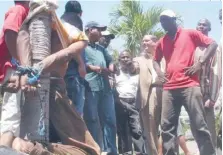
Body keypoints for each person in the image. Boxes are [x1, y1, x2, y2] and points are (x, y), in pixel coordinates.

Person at [3, 4, 101, 155]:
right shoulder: (27, 24)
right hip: (40, 88)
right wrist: (26, 72)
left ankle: (26, 147)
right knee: (91, 150)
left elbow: (67, 53)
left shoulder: (69, 32)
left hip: (52, 89)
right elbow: (20, 39)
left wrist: (36, 68)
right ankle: (24, 147)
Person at [153, 9, 217, 155]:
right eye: (162, 20)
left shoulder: (189, 33)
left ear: (174, 20)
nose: (164, 23)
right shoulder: (161, 41)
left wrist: (200, 62)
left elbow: (212, 44)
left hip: (190, 86)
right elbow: (155, 60)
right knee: (167, 127)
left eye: (167, 20)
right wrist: (159, 73)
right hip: (169, 88)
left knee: (200, 124)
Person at [83, 21, 117, 155]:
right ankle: (95, 151)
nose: (101, 34)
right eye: (99, 30)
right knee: (92, 120)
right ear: (90, 30)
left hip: (106, 89)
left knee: (110, 121)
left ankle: (111, 151)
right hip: (90, 88)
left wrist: (111, 67)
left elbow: (111, 60)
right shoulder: (82, 45)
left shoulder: (101, 49)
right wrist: (93, 68)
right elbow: (78, 64)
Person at [0, 0, 29, 146]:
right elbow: (10, 33)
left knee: (16, 113)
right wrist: (19, 64)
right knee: (12, 113)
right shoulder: (19, 9)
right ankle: (4, 149)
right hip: (13, 68)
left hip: (16, 68)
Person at [134, 34, 163, 155]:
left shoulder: (164, 55)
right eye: (143, 41)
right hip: (150, 93)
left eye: (147, 41)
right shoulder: (138, 60)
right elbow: (133, 68)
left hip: (166, 91)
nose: (144, 43)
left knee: (168, 126)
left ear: (155, 42)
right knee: (150, 128)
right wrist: (130, 66)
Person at [114, 50, 145, 154]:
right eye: (123, 57)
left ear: (131, 59)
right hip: (120, 103)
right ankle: (125, 152)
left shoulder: (136, 73)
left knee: (137, 129)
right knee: (123, 131)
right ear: (119, 60)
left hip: (134, 103)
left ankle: (139, 152)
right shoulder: (116, 73)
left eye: (127, 57)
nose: (125, 59)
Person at [194, 18, 217, 148]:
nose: (201, 26)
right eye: (199, 24)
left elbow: (217, 74)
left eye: (204, 25)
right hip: (193, 93)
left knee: (209, 128)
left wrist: (212, 98)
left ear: (209, 28)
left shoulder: (213, 47)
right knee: (197, 126)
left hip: (207, 94)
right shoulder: (193, 47)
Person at [63, 0, 86, 116]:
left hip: (62, 72)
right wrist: (81, 64)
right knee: (76, 112)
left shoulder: (61, 20)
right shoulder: (75, 20)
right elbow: (74, 46)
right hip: (73, 73)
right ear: (80, 13)